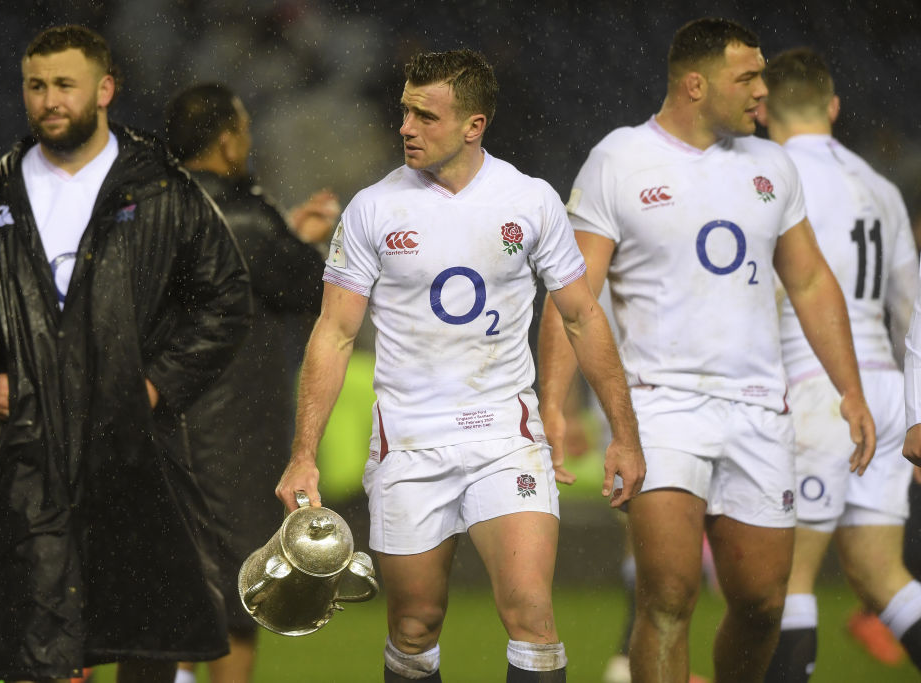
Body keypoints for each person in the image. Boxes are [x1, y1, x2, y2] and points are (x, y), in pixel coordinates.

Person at [275, 49, 645, 683]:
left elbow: (582, 316)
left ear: (474, 125)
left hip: (506, 434)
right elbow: (335, 333)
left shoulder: (529, 201)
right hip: (410, 441)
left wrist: (624, 434)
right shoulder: (372, 209)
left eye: (426, 115)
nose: (406, 127)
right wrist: (303, 451)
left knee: (531, 611)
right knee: (415, 626)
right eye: (404, 112)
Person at [538, 18, 876, 683]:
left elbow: (808, 279)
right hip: (660, 407)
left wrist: (851, 389)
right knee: (667, 596)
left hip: (757, 407)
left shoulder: (772, 165)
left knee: (761, 601)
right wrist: (553, 401)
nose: (763, 91)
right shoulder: (620, 159)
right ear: (696, 84)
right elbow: (573, 297)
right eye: (748, 77)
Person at [0, 25, 251, 683]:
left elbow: (224, 299)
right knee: (37, 639)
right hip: (30, 455)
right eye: (35, 86)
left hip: (137, 451)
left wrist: (156, 384)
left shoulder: (164, 193)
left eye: (63, 85)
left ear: (104, 89)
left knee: (147, 638)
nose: (49, 100)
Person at [753, 47, 921, 681]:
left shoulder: (767, 177)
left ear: (763, 109)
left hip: (816, 387)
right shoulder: (878, 186)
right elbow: (912, 306)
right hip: (884, 388)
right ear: (833, 106)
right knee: (882, 577)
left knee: (786, 579)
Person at [162, 82, 336, 683]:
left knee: (169, 592)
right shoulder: (240, 215)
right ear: (228, 140)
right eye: (245, 131)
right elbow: (306, 287)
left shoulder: (147, 207)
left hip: (158, 425)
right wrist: (294, 240)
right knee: (236, 602)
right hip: (230, 434)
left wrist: (287, 231)